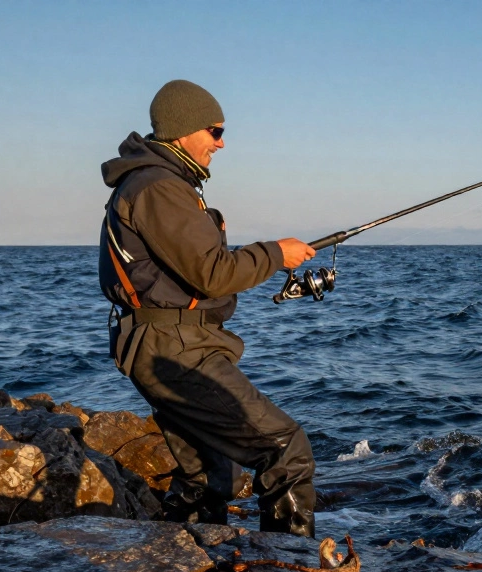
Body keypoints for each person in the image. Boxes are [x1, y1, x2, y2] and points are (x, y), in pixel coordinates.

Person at [98, 79, 318, 536]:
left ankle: (188, 560)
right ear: (183, 129)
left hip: (166, 343)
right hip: (174, 348)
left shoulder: (160, 183)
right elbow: (212, 274)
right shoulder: (158, 186)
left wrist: (267, 259)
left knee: (208, 477)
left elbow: (194, 269)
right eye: (214, 131)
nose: (221, 143)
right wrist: (276, 253)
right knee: (285, 450)